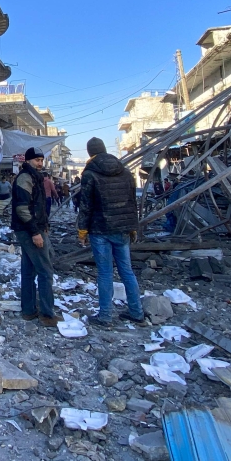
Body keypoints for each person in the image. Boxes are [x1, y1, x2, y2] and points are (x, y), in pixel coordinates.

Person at [76, 137, 144, 326]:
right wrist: (133, 226)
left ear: (90, 152)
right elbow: (132, 202)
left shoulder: (90, 174)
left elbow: (86, 205)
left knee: (105, 273)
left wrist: (82, 230)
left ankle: (105, 316)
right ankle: (137, 312)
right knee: (127, 271)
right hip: (122, 228)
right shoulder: (125, 171)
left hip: (100, 229)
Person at [13, 147, 57, 327]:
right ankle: (47, 314)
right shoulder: (25, 177)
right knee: (45, 271)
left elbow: (38, 206)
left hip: (33, 228)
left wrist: (44, 226)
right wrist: (35, 232)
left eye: (41, 160)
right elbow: (23, 208)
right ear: (29, 161)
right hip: (28, 230)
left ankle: (29, 310)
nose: (40, 163)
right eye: (36, 160)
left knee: (29, 270)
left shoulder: (36, 177)